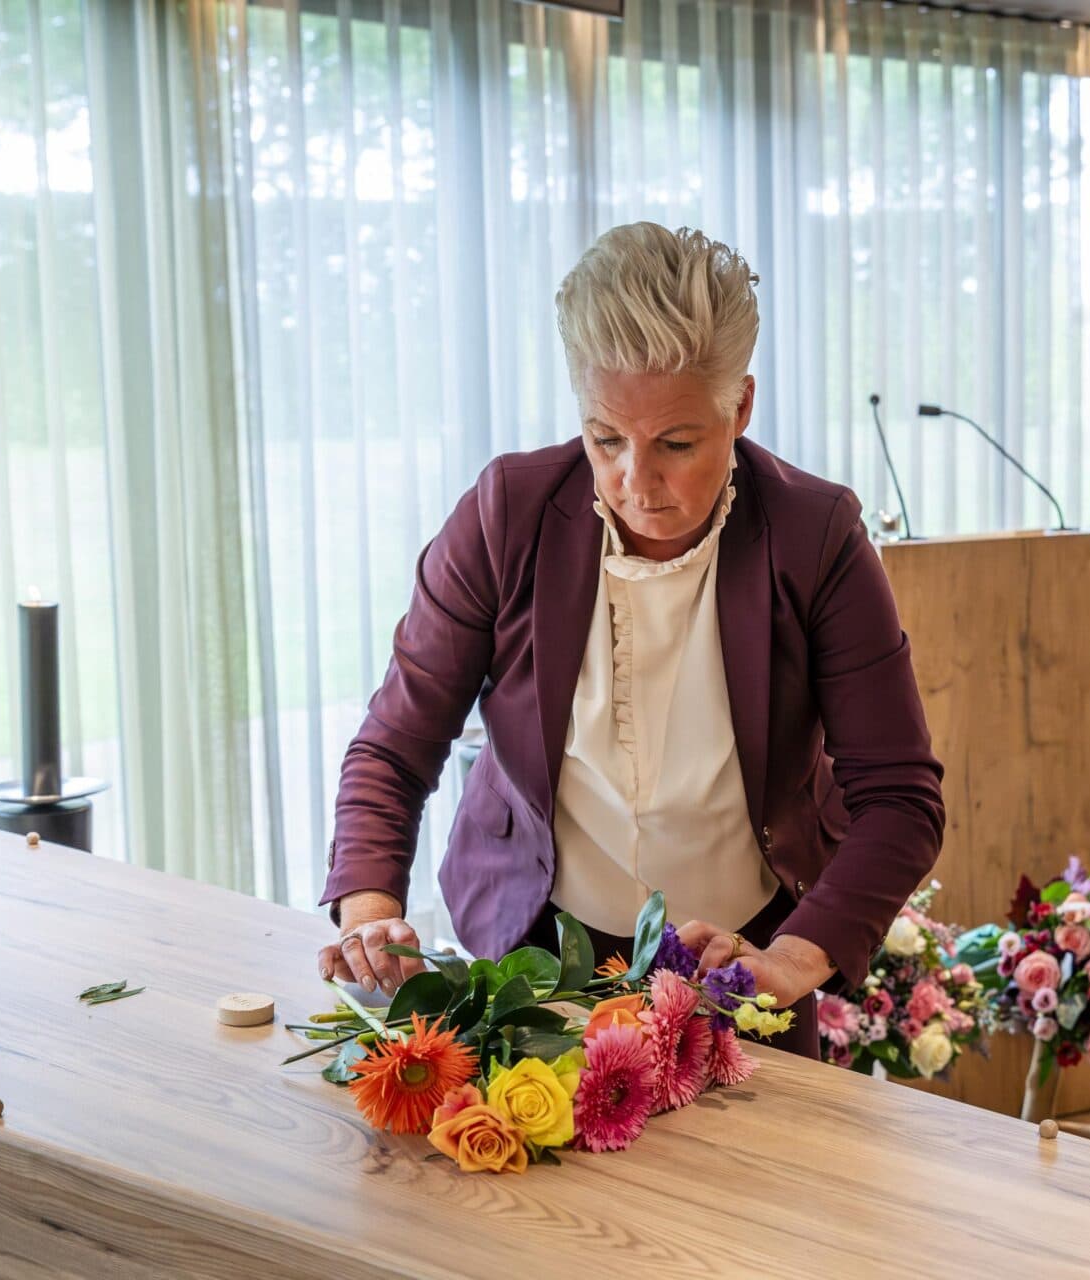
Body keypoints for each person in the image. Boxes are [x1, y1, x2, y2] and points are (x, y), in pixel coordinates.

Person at [318, 223, 944, 1057]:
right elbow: (396, 747)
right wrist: (369, 912)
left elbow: (900, 798)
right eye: (605, 437)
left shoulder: (816, 536)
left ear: (742, 406)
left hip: (747, 961)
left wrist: (793, 959)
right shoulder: (507, 513)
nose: (633, 482)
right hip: (533, 954)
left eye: (677, 444)